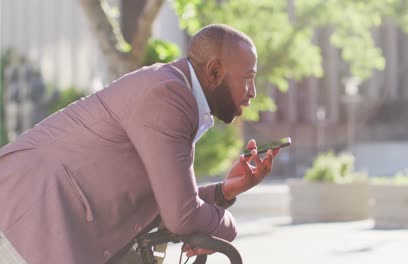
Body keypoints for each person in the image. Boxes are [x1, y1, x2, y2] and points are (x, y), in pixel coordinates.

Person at [0, 24, 280, 264]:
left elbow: (167, 203)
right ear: (215, 71)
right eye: (248, 78)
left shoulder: (174, 93)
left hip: (41, 221)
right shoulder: (169, 96)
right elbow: (181, 216)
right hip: (28, 214)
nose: (252, 92)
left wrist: (224, 192)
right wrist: (228, 227)